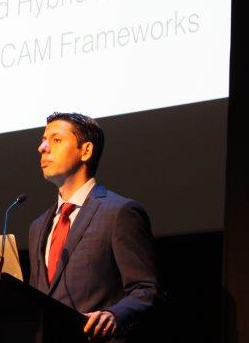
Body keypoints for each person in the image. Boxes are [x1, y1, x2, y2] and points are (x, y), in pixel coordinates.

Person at [28, 112, 159, 341]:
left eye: (56, 140)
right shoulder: (38, 227)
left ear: (86, 151)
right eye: (43, 140)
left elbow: (146, 289)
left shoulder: (119, 212)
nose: (42, 148)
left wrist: (114, 315)